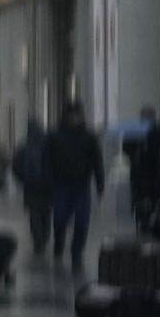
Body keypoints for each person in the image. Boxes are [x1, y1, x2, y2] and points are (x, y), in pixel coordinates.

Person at [45, 101, 106, 274]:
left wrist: (100, 182)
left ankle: (76, 251)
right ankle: (59, 243)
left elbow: (97, 161)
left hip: (81, 184)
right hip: (60, 184)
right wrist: (47, 182)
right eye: (71, 115)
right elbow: (47, 161)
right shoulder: (55, 136)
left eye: (77, 115)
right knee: (59, 218)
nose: (74, 119)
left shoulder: (89, 137)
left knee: (81, 220)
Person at [12, 118, 52, 255]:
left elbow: (16, 165)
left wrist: (22, 180)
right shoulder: (48, 144)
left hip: (31, 187)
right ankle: (45, 237)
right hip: (47, 186)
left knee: (34, 214)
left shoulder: (24, 146)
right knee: (46, 213)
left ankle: (37, 240)